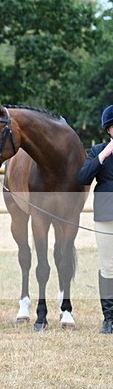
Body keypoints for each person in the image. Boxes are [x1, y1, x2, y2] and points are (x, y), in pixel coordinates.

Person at [77, 104, 113, 334]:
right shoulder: (97, 151)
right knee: (108, 266)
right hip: (106, 214)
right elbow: (83, 177)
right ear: (109, 129)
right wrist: (105, 154)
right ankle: (109, 317)